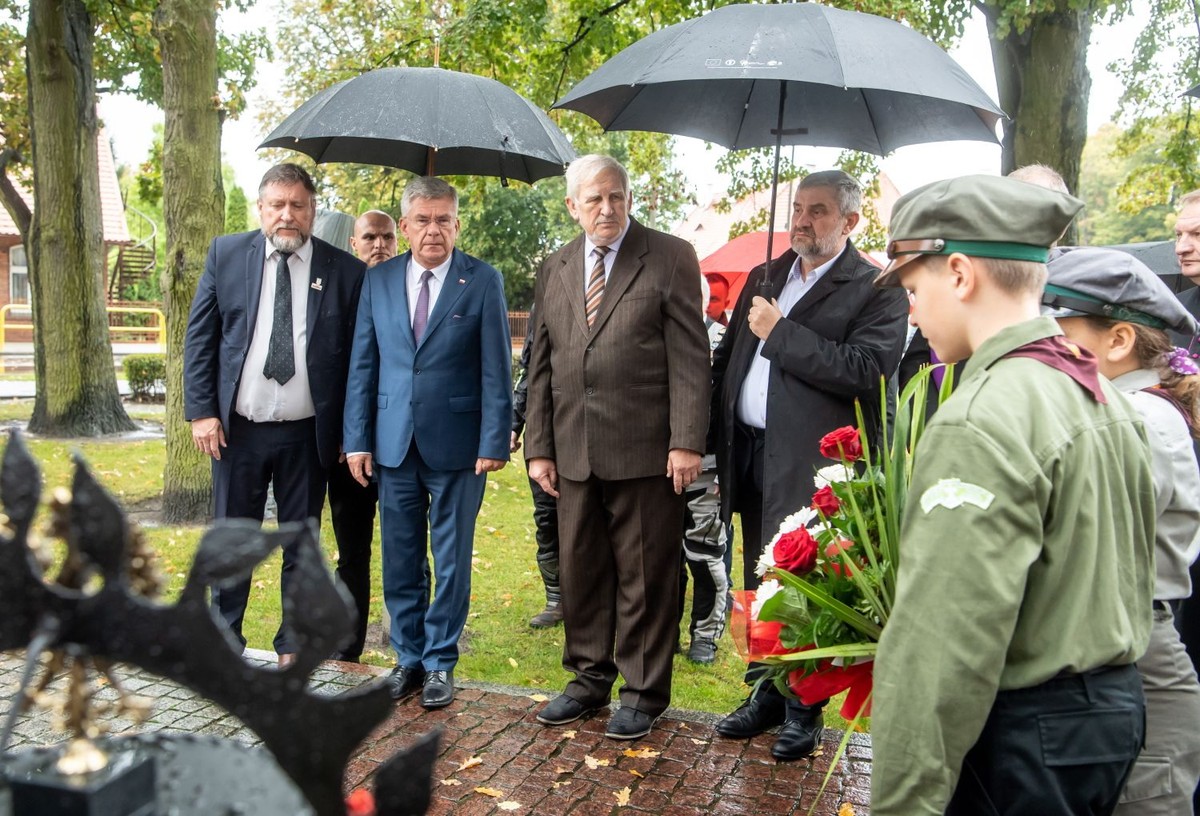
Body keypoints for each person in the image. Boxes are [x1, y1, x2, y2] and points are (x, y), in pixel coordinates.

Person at [871, 175, 1154, 815]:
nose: (911, 312)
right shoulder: (1099, 393)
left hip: (1026, 739)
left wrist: (902, 803)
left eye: (914, 289)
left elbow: (943, 644)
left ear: (960, 274)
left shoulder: (983, 416)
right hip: (1105, 722)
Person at [710, 170, 908, 760]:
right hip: (750, 451)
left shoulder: (876, 287)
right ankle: (764, 691)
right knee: (759, 574)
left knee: (808, 582)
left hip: (816, 464)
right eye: (798, 207)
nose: (801, 220)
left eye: (818, 210)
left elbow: (865, 369)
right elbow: (729, 360)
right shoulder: (765, 276)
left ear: (850, 221)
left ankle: (803, 708)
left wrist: (781, 333)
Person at [524, 154, 710, 741]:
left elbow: (691, 357)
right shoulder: (555, 266)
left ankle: (642, 692)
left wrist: (686, 442)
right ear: (572, 206)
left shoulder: (670, 256)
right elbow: (541, 363)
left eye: (617, 196)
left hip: (646, 450)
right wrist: (539, 446)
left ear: (630, 198)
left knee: (645, 576)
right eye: (595, 199)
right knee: (581, 571)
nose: (607, 209)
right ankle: (587, 679)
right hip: (573, 451)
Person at [184, 163, 365, 669]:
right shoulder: (226, 255)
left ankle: (291, 644)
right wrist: (202, 412)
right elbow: (200, 339)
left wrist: (348, 431)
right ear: (261, 208)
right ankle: (225, 639)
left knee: (301, 545)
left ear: (312, 210)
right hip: (236, 432)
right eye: (277, 205)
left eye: (298, 205)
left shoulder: (345, 271)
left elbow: (358, 361)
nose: (287, 215)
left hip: (308, 436)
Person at [1041, 247, 1200, 816]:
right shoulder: (1116, 411)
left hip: (1138, 661)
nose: (1042, 352)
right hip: (1113, 647)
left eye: (1058, 335)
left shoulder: (1139, 421)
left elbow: (1076, 542)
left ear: (1118, 341)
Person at [343, 177, 511, 710]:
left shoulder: (481, 280)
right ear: (405, 225)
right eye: (422, 220)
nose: (433, 229)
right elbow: (363, 364)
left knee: (451, 557)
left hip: (460, 446)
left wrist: (494, 439)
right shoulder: (379, 280)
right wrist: (356, 440)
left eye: (443, 219)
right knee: (400, 557)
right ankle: (408, 657)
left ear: (457, 225)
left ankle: (440, 660)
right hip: (392, 444)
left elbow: (497, 367)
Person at [324, 210, 397, 662]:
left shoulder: (411, 288)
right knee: (352, 552)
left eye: (387, 237)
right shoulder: (339, 292)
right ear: (354, 243)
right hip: (348, 447)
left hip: (403, 445)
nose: (379, 245)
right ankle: (346, 648)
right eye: (369, 237)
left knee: (407, 549)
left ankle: (411, 646)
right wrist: (344, 434)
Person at [510, 306, 563, 628]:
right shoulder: (543, 306)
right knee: (547, 518)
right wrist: (514, 422)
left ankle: (593, 596)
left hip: (592, 430)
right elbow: (529, 371)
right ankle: (556, 598)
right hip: (545, 436)